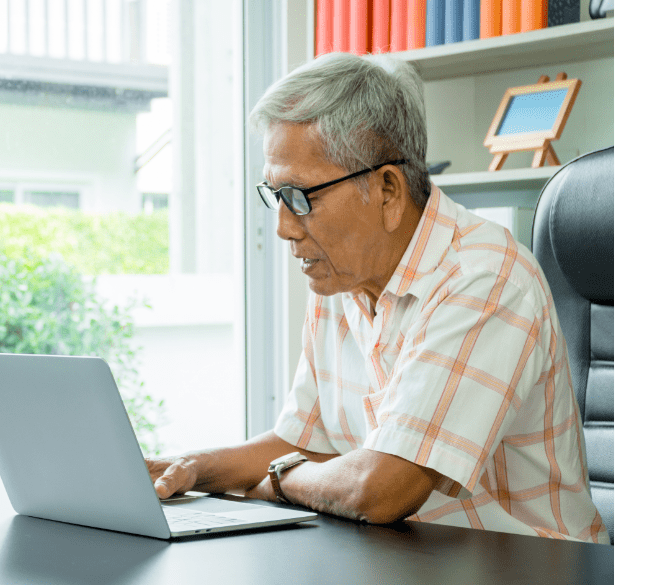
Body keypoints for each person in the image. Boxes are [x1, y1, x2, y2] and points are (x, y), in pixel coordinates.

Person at [146, 52, 609, 544]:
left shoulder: (485, 278)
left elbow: (382, 488)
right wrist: (185, 468)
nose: (283, 228)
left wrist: (280, 481)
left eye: (300, 198)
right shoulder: (338, 276)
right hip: (412, 561)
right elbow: (300, 442)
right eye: (275, 196)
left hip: (532, 570)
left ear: (387, 189)